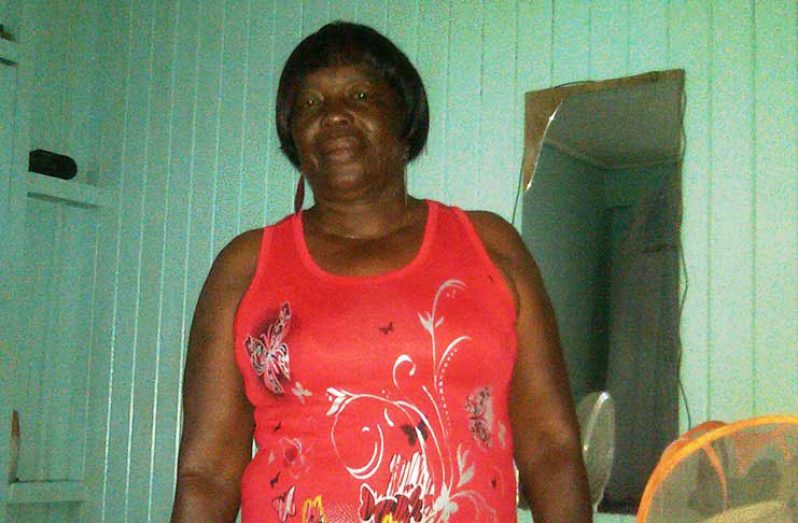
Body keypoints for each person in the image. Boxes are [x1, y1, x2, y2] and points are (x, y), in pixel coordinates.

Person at [171, 21, 591, 523]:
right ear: (293, 137)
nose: (332, 115)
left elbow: (551, 449)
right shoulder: (245, 266)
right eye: (310, 103)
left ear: (405, 119)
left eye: (360, 95)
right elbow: (207, 476)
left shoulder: (490, 246)